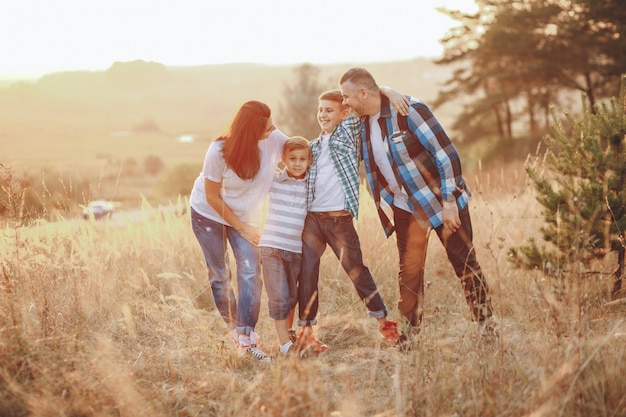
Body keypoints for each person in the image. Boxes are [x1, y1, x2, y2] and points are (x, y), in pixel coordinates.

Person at [339, 68, 494, 347]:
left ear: (363, 93)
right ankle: (410, 336)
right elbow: (352, 108)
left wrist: (449, 202)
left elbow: (446, 153)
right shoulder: (361, 122)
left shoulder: (409, 111)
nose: (344, 103)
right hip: (406, 207)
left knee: (464, 264)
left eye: (347, 97)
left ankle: (486, 327)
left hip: (440, 201)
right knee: (409, 271)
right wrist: (385, 88)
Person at [296, 89, 401, 355]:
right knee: (307, 274)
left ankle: (383, 323)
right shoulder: (313, 147)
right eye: (320, 110)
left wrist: (386, 90)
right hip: (312, 220)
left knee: (357, 271)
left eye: (329, 110)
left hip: (339, 220)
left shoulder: (347, 134)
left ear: (343, 114)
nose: (323, 115)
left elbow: (361, 101)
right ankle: (307, 333)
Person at [189, 100, 287, 362]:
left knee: (250, 272)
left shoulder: (274, 139)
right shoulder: (219, 151)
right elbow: (212, 196)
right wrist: (241, 227)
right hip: (209, 213)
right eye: (266, 129)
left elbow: (303, 152)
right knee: (220, 274)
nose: (273, 131)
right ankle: (235, 333)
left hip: (246, 216)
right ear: (250, 131)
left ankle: (247, 336)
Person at [258, 136, 311, 357]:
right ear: (283, 159)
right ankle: (285, 346)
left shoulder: (311, 184)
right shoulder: (274, 180)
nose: (297, 163)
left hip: (296, 250)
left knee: (291, 297)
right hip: (271, 246)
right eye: (292, 158)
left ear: (309, 161)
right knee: (279, 296)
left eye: (302, 159)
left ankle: (289, 333)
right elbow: (261, 164)